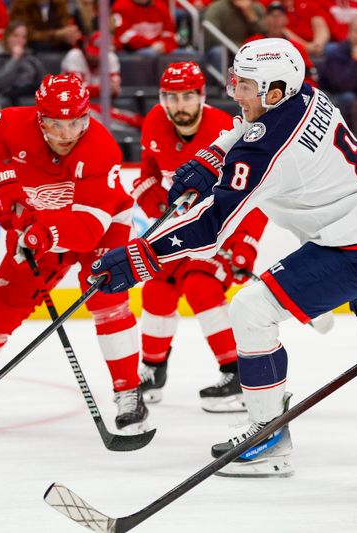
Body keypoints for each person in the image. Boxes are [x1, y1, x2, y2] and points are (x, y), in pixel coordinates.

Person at [91, 38, 357, 477]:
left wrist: (139, 258)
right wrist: (214, 153)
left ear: (274, 91)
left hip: (353, 246)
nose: (235, 93)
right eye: (236, 81)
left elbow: (211, 226)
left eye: (245, 85)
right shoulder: (305, 93)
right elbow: (248, 124)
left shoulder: (267, 150)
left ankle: (267, 434)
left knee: (252, 309)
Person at [0, 73, 151, 434]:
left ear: (86, 116)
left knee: (109, 301)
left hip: (102, 225)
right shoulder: (13, 122)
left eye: (75, 122)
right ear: (40, 118)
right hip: (37, 227)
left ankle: (128, 391)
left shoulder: (102, 148)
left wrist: (44, 234)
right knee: (3, 303)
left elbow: (89, 229)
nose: (66, 134)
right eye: (56, 124)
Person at [132, 61, 268, 412]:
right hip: (180, 228)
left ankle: (235, 373)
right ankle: (152, 370)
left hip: (221, 229)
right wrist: (153, 198)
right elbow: (149, 170)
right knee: (157, 286)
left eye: (188, 97)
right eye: (172, 98)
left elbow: (255, 193)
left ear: (202, 97)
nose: (180, 106)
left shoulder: (228, 130)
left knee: (200, 286)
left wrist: (246, 245)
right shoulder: (154, 123)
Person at [0, 21, 46, 104]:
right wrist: (15, 59)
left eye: (24, 37)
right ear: (7, 37)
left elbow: (44, 80)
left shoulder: (30, 56)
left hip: (27, 93)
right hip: (2, 94)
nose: (20, 40)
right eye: (16, 36)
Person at [9, 0, 82, 52]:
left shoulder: (59, 3)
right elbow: (26, 34)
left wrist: (70, 35)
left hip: (56, 44)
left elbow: (63, 27)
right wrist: (56, 34)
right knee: (39, 45)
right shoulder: (21, 4)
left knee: (75, 50)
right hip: (30, 46)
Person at [111, 0, 177, 55]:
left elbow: (169, 32)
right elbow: (124, 36)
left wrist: (165, 45)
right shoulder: (121, 6)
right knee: (150, 53)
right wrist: (151, 44)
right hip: (131, 51)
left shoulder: (161, 6)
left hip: (159, 48)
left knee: (182, 54)